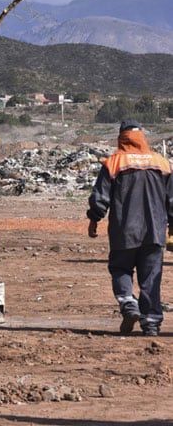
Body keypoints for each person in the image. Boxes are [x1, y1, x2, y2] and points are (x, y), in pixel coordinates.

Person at [87, 120, 173, 336]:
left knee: (120, 269)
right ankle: (151, 323)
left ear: (121, 138)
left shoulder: (114, 162)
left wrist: (94, 219)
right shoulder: (162, 163)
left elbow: (100, 198)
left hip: (124, 231)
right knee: (151, 277)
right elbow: (172, 200)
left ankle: (128, 304)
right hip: (154, 232)